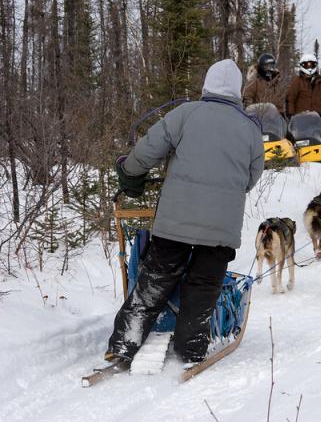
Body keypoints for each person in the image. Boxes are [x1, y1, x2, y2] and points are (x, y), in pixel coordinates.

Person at [106, 59, 264, 365]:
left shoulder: (185, 114)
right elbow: (250, 178)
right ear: (236, 91)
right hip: (220, 231)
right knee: (202, 290)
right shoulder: (250, 129)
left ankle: (125, 345)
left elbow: (147, 150)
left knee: (154, 283)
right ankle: (188, 351)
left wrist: (129, 169)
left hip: (174, 223)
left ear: (206, 85)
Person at [286, 53, 321, 129]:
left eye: (312, 65)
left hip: (320, 119)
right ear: (302, 66)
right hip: (301, 119)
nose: (309, 68)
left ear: (315, 65)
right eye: (306, 65)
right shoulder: (297, 82)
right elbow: (290, 99)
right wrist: (290, 115)